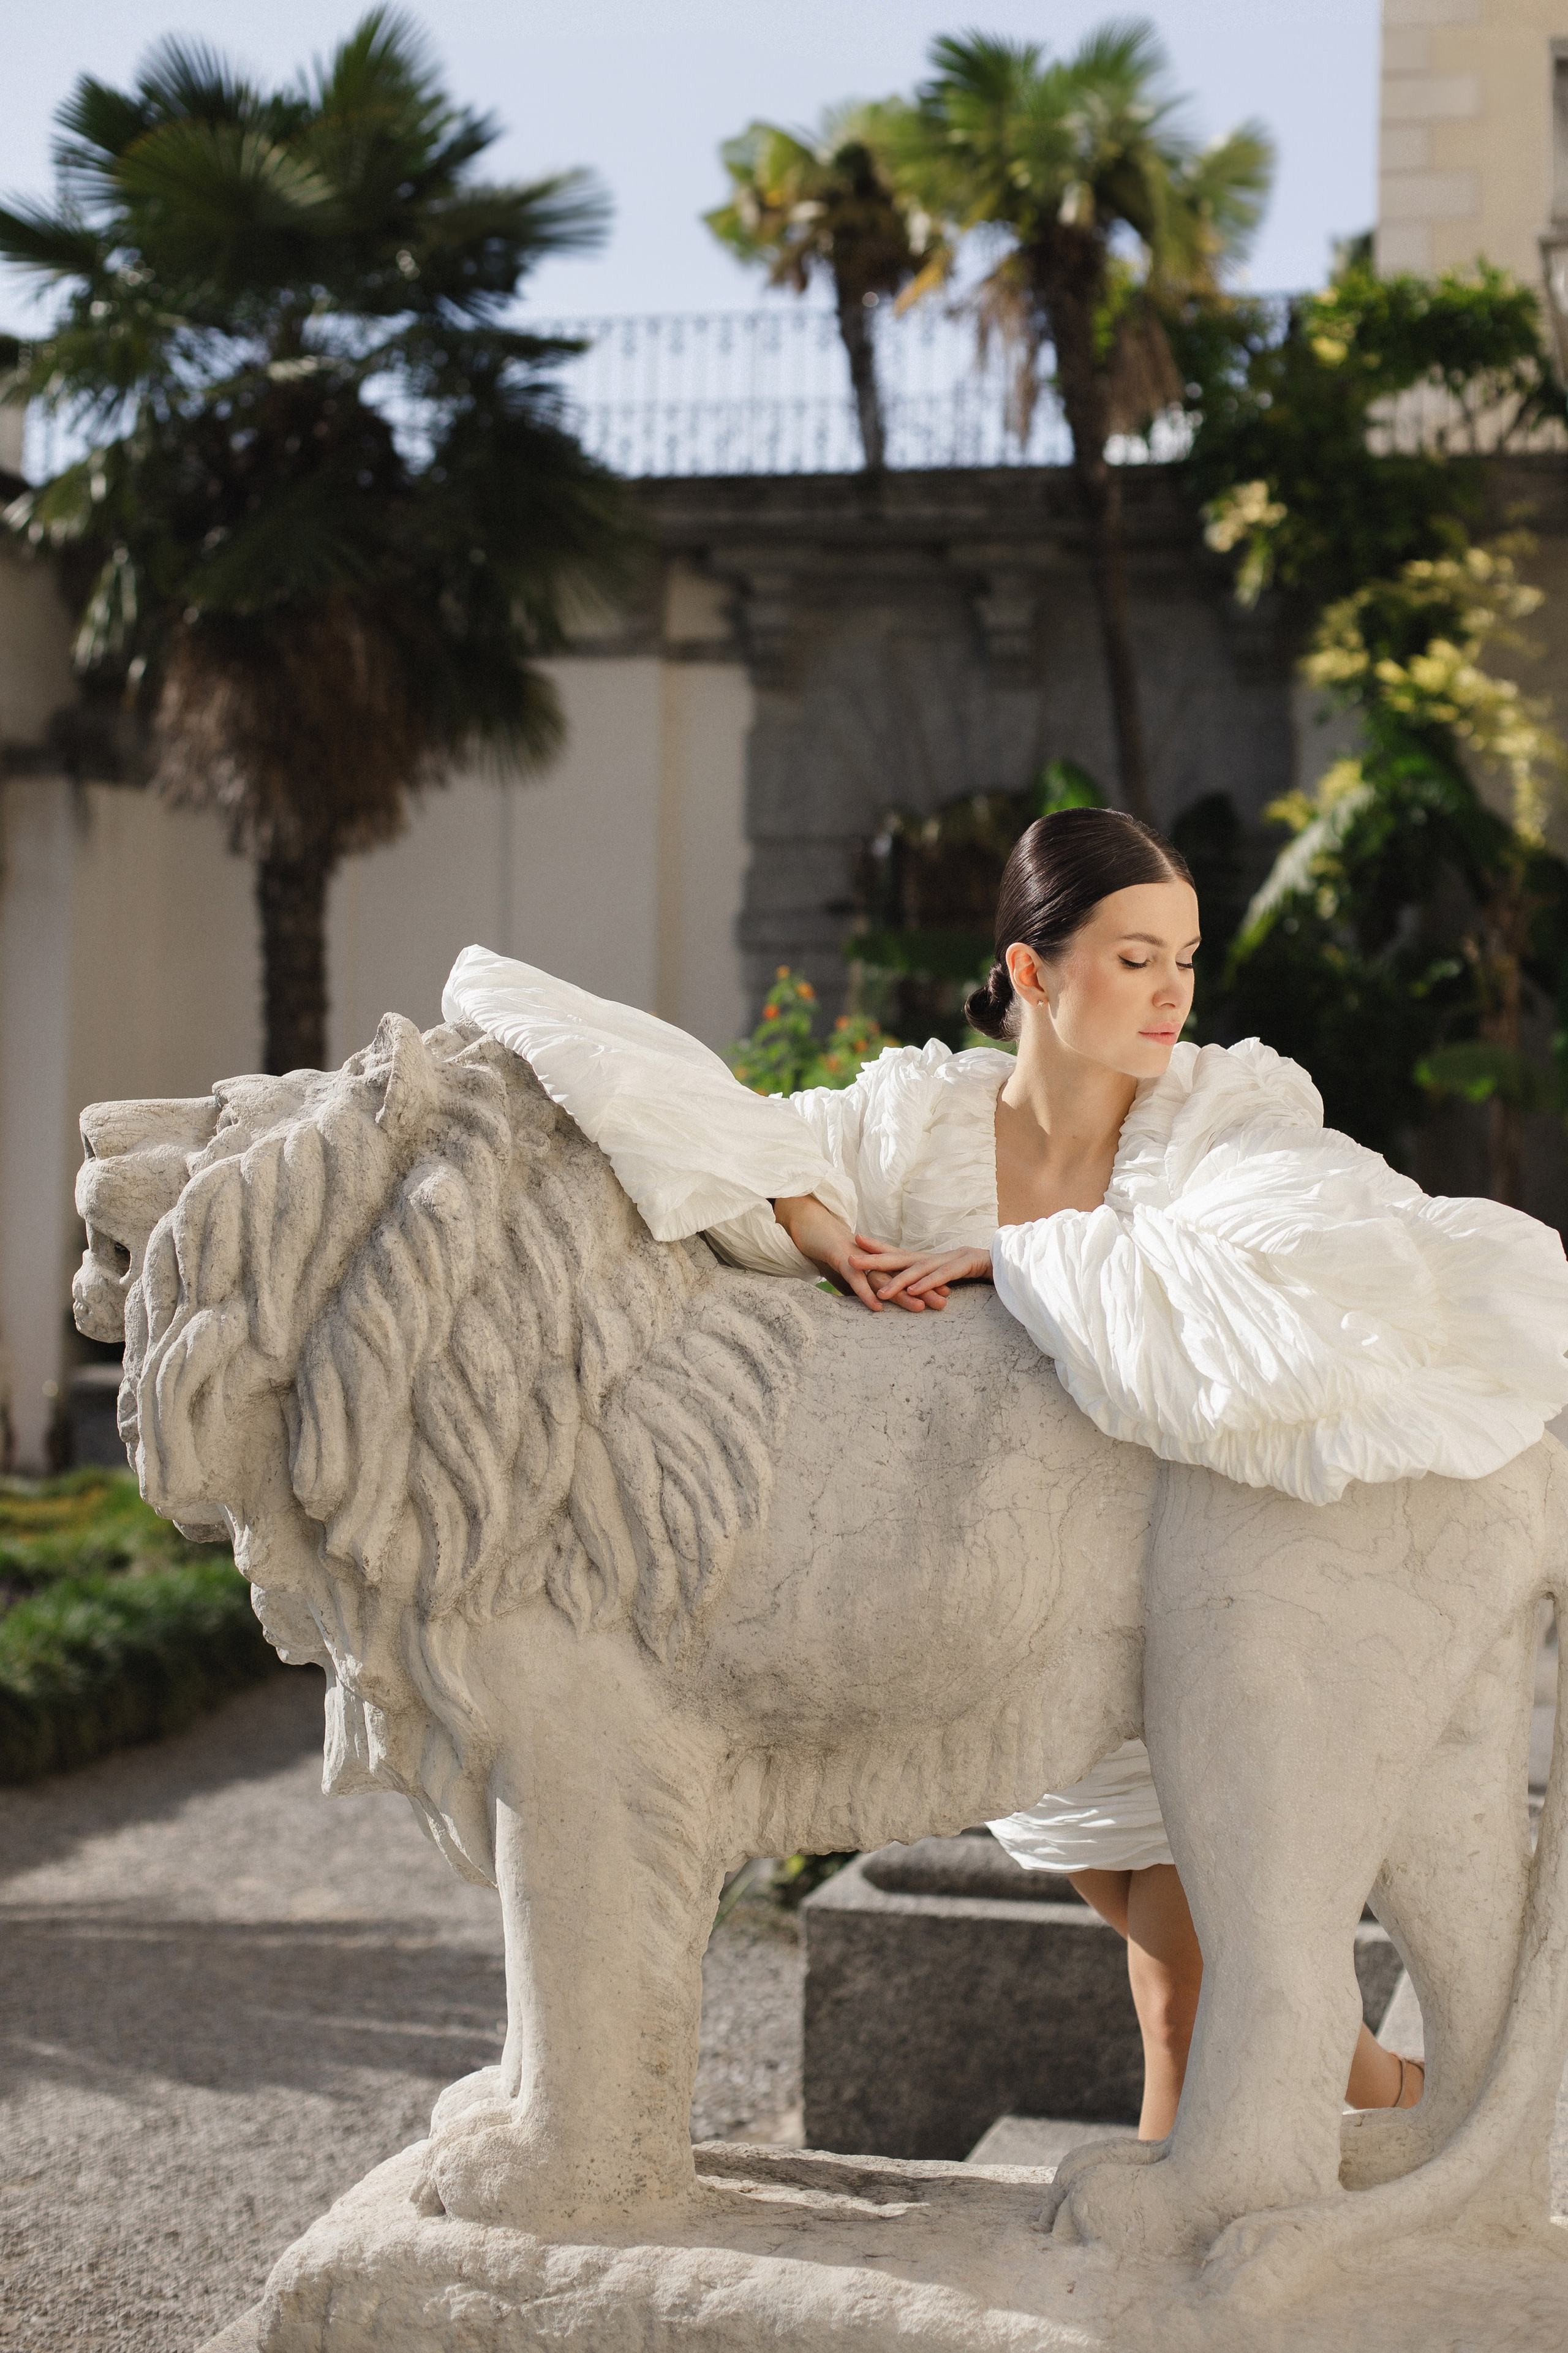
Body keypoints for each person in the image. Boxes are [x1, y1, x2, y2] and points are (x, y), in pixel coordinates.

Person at [443, 806, 1568, 2140]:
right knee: (1247, 2003)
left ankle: (1189, 2253)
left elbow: (1308, 1274)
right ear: (1032, 973)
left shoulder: (1227, 1115)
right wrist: (821, 1230)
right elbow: (723, 1133)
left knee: (1188, 2000)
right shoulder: (917, 1119)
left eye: (1185, 959)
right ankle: (1417, 2126)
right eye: (1135, 957)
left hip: (1202, 1619)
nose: (1170, 994)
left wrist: (1024, 1261)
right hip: (1017, 1657)